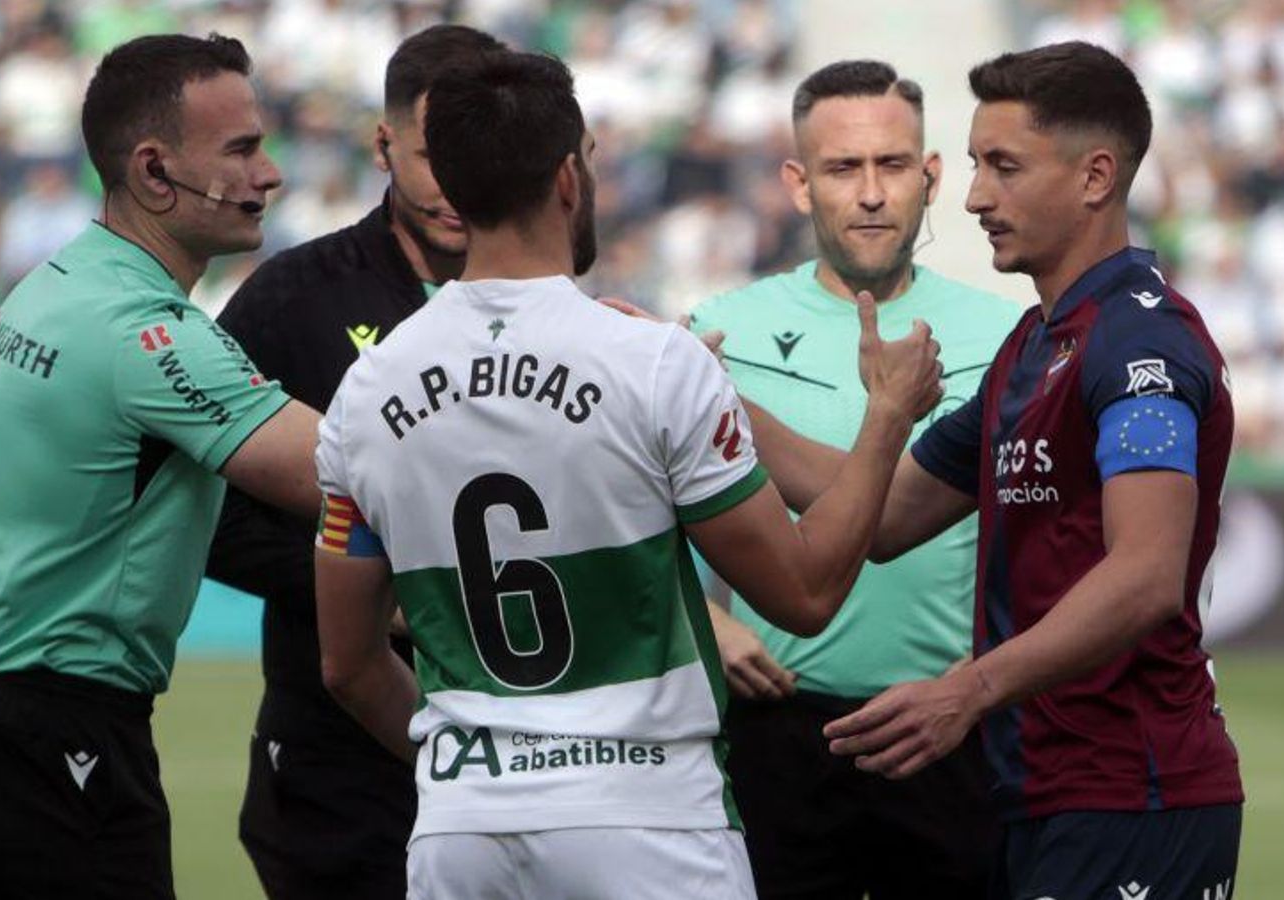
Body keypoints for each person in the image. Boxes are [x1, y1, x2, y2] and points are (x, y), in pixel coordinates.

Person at [311, 50, 942, 900]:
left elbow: (348, 666)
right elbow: (805, 591)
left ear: (452, 191)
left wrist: (483, 773)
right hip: (645, 819)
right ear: (570, 177)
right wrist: (888, 418)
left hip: (462, 830)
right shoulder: (652, 363)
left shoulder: (365, 390)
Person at [749, 42, 1245, 900]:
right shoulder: (1033, 346)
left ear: (1095, 178)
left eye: (1004, 167)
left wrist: (966, 690)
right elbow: (888, 514)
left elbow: (1147, 573)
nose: (976, 196)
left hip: (1135, 795)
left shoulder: (1141, 345)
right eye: (978, 165)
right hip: (1036, 792)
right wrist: (703, 394)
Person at [0, 33, 320, 899]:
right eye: (243, 150)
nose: (270, 175)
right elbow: (347, 471)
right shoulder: (149, 336)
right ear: (152, 170)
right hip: (62, 746)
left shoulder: (53, 282)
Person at [688, 59, 1019, 900]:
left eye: (893, 165)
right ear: (800, 185)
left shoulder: (1011, 333)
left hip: (950, 725)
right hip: (779, 730)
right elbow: (651, 512)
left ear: (931, 176)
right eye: (843, 168)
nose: (871, 193)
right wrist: (710, 622)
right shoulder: (723, 330)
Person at [204, 25, 504, 900]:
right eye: (428, 154)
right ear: (382, 145)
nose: (454, 185)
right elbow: (206, 515)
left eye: (476, 154)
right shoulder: (292, 298)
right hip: (335, 770)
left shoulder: (553, 305)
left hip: (524, 758)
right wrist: (373, 593)